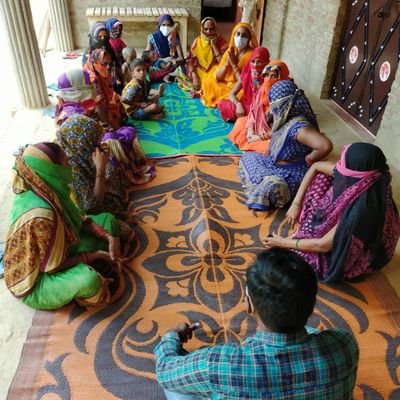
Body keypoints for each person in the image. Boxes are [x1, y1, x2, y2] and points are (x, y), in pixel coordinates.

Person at [155, 248, 359, 399]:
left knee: (177, 388)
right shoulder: (344, 344)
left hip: (227, 370)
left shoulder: (218, 363)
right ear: (312, 303)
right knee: (313, 333)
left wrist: (171, 336)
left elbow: (164, 370)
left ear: (249, 304)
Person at [3, 142, 125, 309]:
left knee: (107, 220)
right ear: (53, 170)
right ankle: (85, 287)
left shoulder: (45, 186)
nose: (70, 168)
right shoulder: (42, 215)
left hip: (59, 249)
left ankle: (90, 262)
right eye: (66, 164)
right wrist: (93, 256)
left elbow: (79, 220)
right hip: (39, 279)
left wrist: (108, 237)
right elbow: (52, 268)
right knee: (88, 281)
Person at [264, 142, 400, 282]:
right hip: (348, 224)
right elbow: (316, 167)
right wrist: (296, 204)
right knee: (324, 177)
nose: (340, 164)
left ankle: (311, 235)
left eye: (344, 162)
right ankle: (313, 230)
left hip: (359, 254)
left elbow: (323, 245)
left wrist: (283, 243)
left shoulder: (362, 209)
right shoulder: (370, 178)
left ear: (354, 171)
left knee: (300, 260)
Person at [238, 80, 332, 210]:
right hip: (274, 165)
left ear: (285, 104)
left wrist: (310, 159)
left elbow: (325, 146)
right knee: (248, 157)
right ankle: (263, 181)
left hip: (293, 173)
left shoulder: (300, 128)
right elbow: (280, 134)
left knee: (272, 187)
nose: (272, 108)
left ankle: (270, 186)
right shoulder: (287, 119)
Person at [228, 60, 290, 153]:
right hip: (258, 128)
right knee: (241, 122)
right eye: (266, 75)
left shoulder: (286, 97)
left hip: (273, 134)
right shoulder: (261, 90)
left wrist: (260, 137)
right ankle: (251, 142)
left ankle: (252, 144)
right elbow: (253, 113)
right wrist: (250, 131)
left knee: (272, 147)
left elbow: (284, 129)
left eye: (273, 76)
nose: (268, 79)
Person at [201, 22, 258, 108]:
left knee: (242, 95)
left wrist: (234, 65)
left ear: (249, 39)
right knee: (209, 81)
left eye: (244, 36)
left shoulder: (251, 55)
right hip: (226, 84)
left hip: (239, 88)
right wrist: (227, 64)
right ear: (233, 35)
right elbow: (218, 77)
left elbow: (245, 84)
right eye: (238, 34)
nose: (240, 37)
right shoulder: (229, 51)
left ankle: (228, 102)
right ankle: (226, 101)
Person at [217, 46, 270, 122]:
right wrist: (238, 104)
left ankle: (247, 119)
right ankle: (247, 118)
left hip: (261, 109)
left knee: (264, 115)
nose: (255, 65)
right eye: (253, 61)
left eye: (259, 62)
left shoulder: (270, 75)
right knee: (222, 104)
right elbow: (231, 94)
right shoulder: (247, 73)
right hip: (247, 106)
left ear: (266, 62)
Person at [84, 48, 126, 129]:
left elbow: (110, 91)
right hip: (94, 111)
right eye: (104, 64)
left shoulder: (100, 71)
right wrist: (111, 125)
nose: (108, 67)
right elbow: (99, 106)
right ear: (95, 62)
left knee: (118, 102)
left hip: (104, 103)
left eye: (109, 64)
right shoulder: (93, 79)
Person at [186, 17, 228, 91]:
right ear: (202, 29)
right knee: (183, 70)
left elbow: (223, 63)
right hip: (199, 70)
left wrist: (214, 46)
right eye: (206, 29)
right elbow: (191, 60)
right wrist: (195, 77)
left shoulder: (222, 42)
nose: (208, 32)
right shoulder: (197, 41)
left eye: (211, 29)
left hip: (214, 70)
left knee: (213, 86)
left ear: (215, 29)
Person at [82, 22, 123, 93]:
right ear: (94, 37)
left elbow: (117, 64)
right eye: (99, 36)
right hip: (97, 83)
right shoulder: (88, 53)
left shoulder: (110, 49)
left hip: (111, 80)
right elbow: (87, 73)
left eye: (105, 36)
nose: (103, 39)